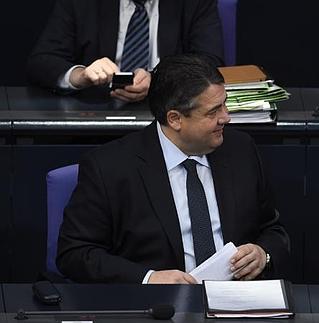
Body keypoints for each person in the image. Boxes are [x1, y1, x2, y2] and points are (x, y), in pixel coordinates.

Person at [57, 54, 290, 283]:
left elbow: (273, 230)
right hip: (157, 307)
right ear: (175, 119)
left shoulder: (241, 150)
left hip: (237, 300)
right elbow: (75, 254)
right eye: (213, 111)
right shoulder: (110, 167)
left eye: (224, 105)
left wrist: (263, 254)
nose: (226, 118)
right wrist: (148, 278)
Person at [27, 0, 224, 102]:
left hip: (169, 120)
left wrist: (157, 79)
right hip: (94, 114)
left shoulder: (194, 3)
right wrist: (80, 75)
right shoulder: (82, 3)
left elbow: (210, 62)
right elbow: (42, 60)